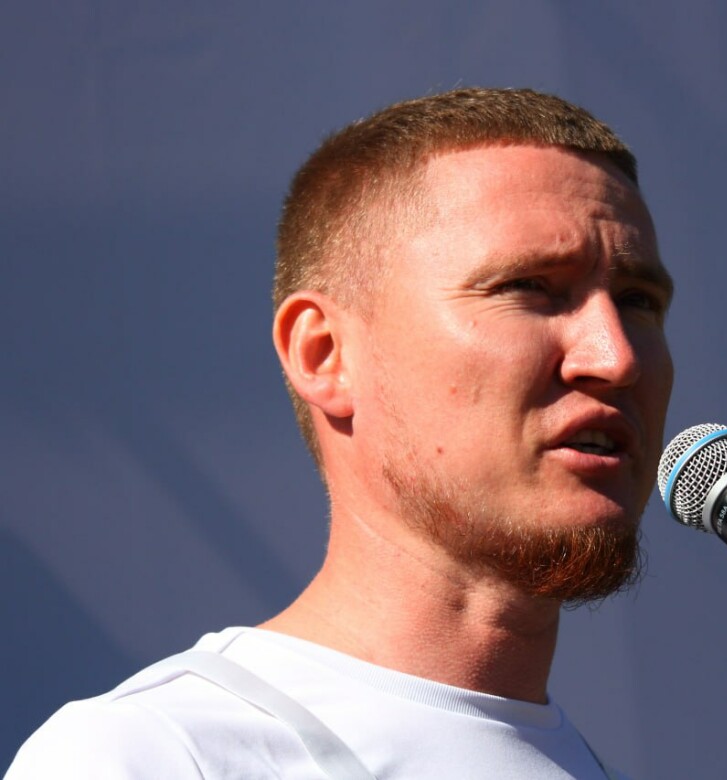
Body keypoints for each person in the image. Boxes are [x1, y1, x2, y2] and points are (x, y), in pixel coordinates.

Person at [5, 87, 674, 779]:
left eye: (638, 301)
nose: (616, 357)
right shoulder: (158, 755)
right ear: (325, 355)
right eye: (529, 287)